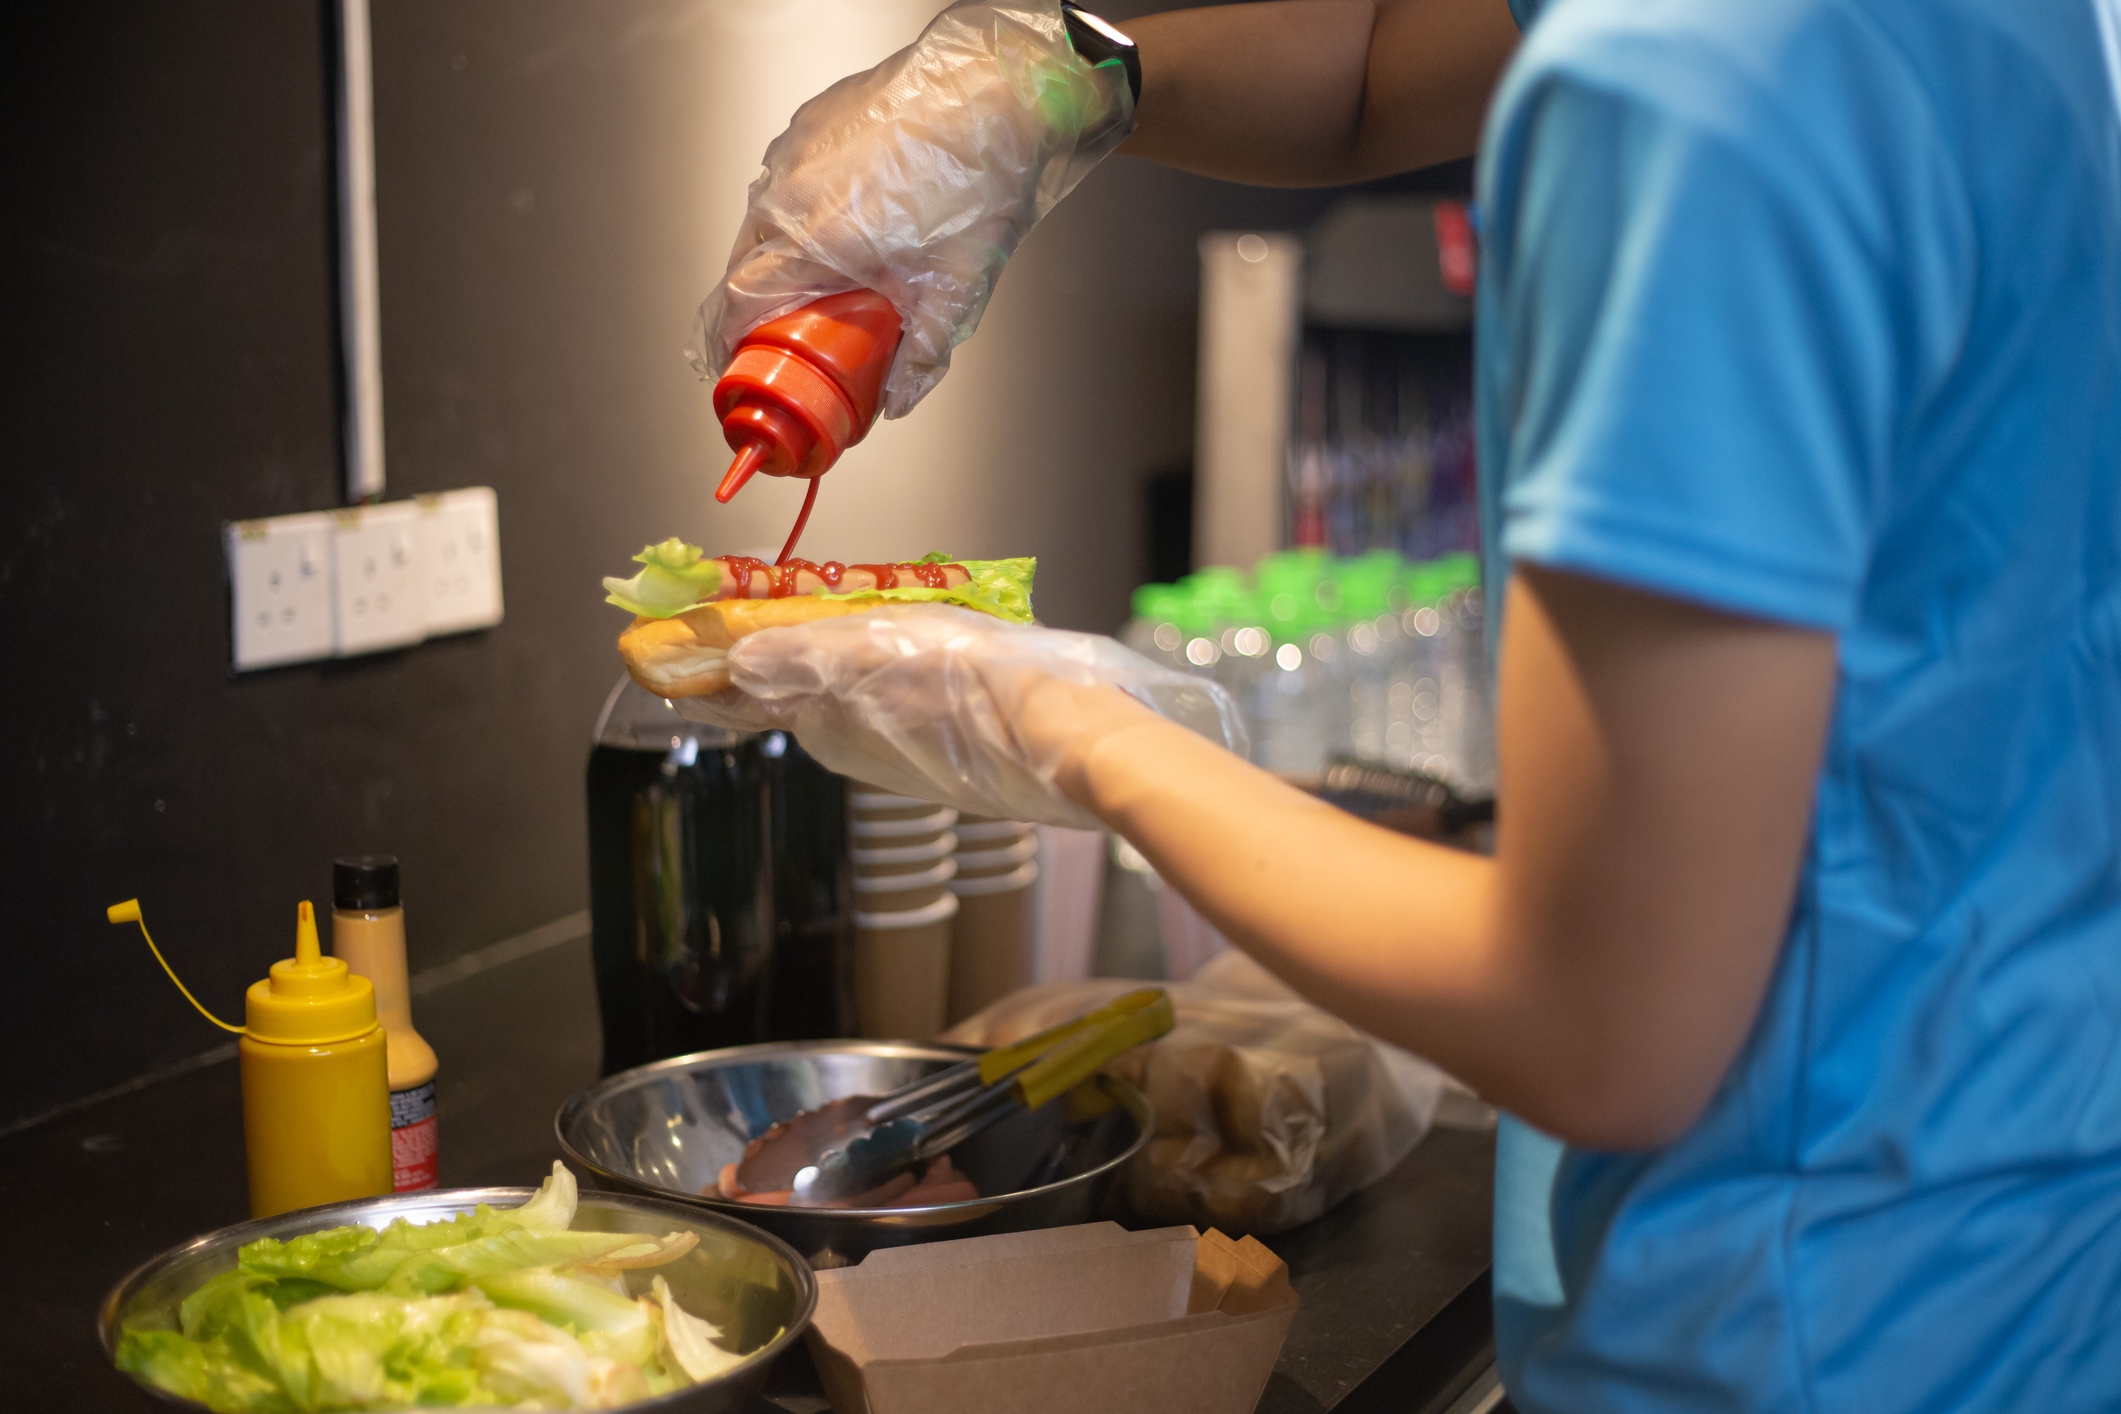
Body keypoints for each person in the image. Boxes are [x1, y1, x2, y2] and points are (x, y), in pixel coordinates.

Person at [692, 2, 2121, 1408]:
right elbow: (1381, 65)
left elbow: (1600, 1020)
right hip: (2008, 1199)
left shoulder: (1690, 86)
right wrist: (1052, 82)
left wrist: (1069, 726)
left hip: (1804, 1306)